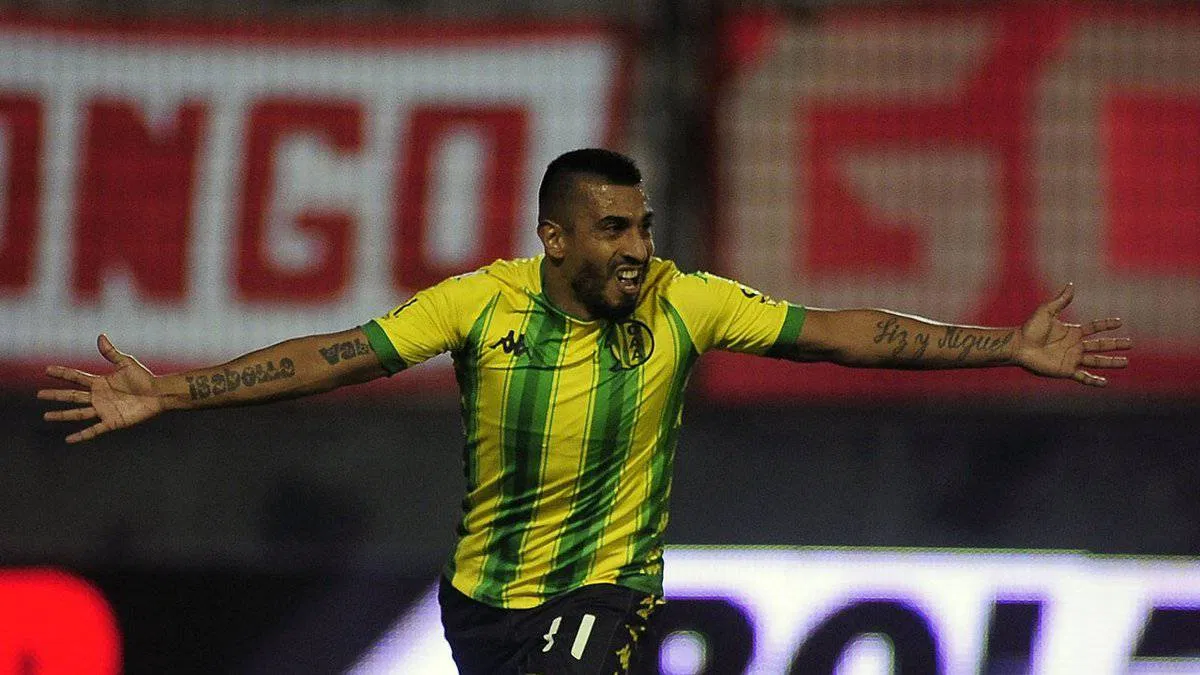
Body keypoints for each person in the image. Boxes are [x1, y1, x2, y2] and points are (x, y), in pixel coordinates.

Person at [38, 148, 1132, 674]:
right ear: (555, 239)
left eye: (643, 226)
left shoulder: (686, 302)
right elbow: (334, 358)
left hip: (605, 588)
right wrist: (173, 389)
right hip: (481, 601)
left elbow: (845, 332)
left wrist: (1007, 345)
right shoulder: (480, 304)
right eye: (614, 229)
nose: (639, 247)